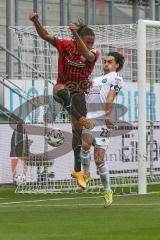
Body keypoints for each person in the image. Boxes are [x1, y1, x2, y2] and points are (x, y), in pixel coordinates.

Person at [29, 12, 99, 188]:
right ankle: (79, 116)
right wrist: (35, 20)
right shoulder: (66, 45)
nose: (90, 45)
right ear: (79, 39)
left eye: (92, 42)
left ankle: (77, 171)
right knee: (61, 90)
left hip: (79, 93)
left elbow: (87, 56)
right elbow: (45, 35)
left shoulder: (93, 53)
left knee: (77, 131)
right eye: (88, 41)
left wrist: (76, 35)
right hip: (63, 87)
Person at [80, 52, 125, 207]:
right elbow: (89, 95)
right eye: (105, 61)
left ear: (117, 64)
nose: (106, 63)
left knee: (99, 159)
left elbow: (111, 97)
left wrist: (107, 115)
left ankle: (107, 190)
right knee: (84, 145)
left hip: (103, 120)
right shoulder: (95, 79)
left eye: (110, 61)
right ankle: (86, 173)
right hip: (90, 117)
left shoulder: (116, 78)